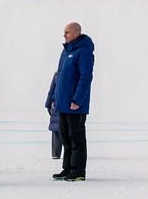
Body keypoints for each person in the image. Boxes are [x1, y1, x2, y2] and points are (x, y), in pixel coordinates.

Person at [46, 22, 95, 182]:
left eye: (67, 32)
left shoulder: (84, 52)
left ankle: (78, 171)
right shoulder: (66, 51)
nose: (64, 35)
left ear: (76, 33)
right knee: (66, 138)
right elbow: (59, 77)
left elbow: (85, 78)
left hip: (75, 105)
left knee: (76, 138)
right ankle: (67, 169)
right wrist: (55, 98)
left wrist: (77, 100)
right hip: (63, 104)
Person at [47, 72, 63, 160]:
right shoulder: (57, 74)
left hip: (58, 105)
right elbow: (51, 90)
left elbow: (51, 91)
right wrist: (48, 105)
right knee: (56, 129)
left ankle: (56, 153)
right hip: (56, 106)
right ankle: (56, 153)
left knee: (58, 129)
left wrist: (48, 104)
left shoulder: (57, 74)